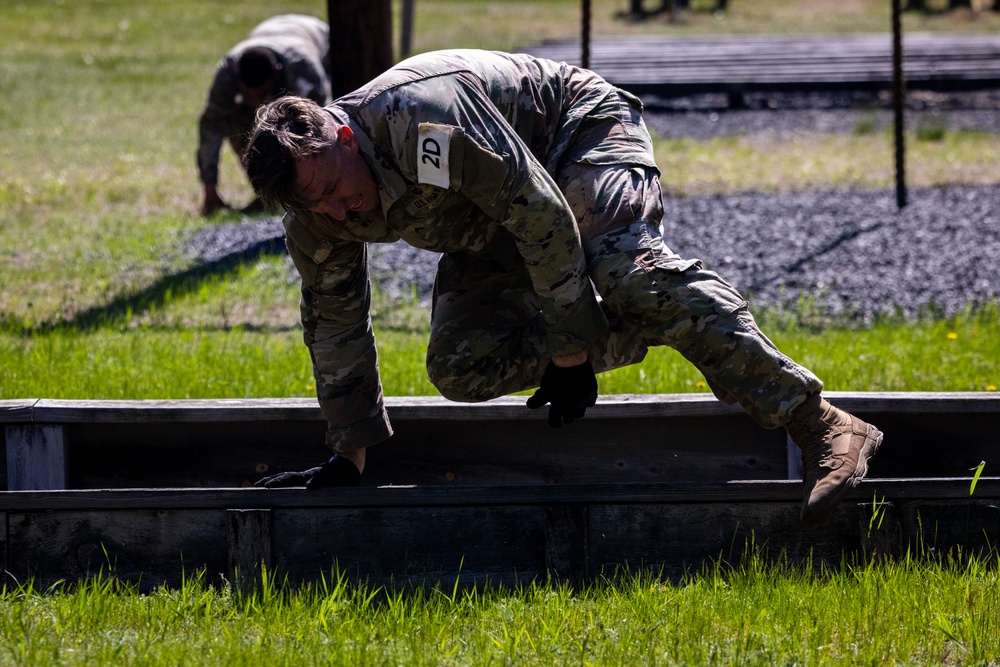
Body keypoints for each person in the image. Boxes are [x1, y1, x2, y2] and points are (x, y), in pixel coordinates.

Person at [243, 49, 883, 530]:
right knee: (462, 367)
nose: (336, 213)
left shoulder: (423, 119)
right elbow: (335, 324)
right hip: (496, 212)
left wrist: (571, 353)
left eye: (332, 190)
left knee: (629, 274)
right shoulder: (314, 215)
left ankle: (822, 424)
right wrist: (348, 455)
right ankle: (662, 319)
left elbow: (542, 217)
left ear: (344, 135)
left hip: (575, 135)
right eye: (314, 207)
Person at [196, 14, 332, 216]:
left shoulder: (302, 67)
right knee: (234, 119)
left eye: (260, 93)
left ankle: (303, 187)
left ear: (276, 74)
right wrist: (209, 188)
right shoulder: (228, 71)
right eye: (249, 94)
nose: (255, 99)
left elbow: (324, 120)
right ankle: (267, 188)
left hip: (317, 38)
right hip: (270, 31)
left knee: (306, 126)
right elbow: (211, 124)